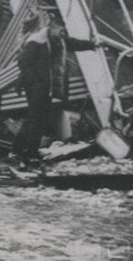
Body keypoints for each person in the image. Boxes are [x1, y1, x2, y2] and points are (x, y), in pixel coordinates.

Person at [13, 13, 99, 163]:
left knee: (35, 119)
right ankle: (28, 153)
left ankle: (20, 150)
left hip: (45, 87)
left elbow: (72, 43)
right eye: (60, 30)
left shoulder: (55, 39)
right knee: (36, 119)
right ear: (51, 28)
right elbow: (23, 63)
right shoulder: (36, 41)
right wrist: (35, 83)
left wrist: (92, 45)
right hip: (35, 87)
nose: (62, 33)